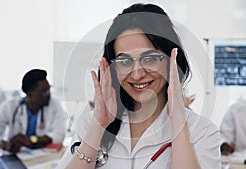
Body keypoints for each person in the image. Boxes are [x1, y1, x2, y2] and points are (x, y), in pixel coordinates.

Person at [57, 3, 220, 169]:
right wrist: (98, 127)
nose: (137, 74)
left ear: (172, 61)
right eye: (125, 61)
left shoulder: (202, 132)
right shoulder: (91, 124)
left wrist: (178, 121)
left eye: (150, 59)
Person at [0, 69, 67, 153]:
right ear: (30, 94)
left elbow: (59, 135)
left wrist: (31, 140)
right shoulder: (9, 107)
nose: (49, 95)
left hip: (43, 155)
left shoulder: (55, 105)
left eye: (49, 90)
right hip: (17, 155)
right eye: (44, 92)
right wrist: (4, 145)